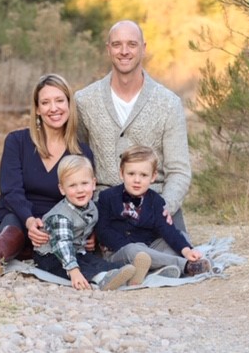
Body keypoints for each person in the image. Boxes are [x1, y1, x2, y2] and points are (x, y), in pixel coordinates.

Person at [0, 74, 93, 276]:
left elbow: (86, 196)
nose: (53, 108)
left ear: (69, 104)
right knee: (12, 221)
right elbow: (10, 190)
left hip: (49, 227)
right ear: (37, 109)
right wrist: (29, 220)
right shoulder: (17, 141)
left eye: (59, 100)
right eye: (45, 102)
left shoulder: (81, 154)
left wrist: (91, 233)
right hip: (14, 213)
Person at [74, 20, 192, 234]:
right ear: (108, 49)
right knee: (115, 258)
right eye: (117, 44)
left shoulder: (168, 103)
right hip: (105, 208)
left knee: (171, 254)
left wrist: (165, 207)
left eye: (132, 44)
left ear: (143, 49)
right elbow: (78, 158)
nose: (124, 51)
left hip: (154, 202)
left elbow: (179, 170)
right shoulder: (84, 100)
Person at [33, 154, 151, 290]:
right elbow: (62, 244)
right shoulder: (60, 216)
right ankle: (101, 279)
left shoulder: (92, 207)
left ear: (93, 183)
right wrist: (73, 271)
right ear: (62, 189)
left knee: (95, 261)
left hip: (77, 250)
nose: (80, 190)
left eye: (84, 183)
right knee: (83, 267)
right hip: (52, 255)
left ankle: (127, 272)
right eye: (72, 185)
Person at [96, 145, 210, 277]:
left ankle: (154, 268)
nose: (137, 180)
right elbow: (102, 231)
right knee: (135, 251)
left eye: (144, 175)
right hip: (119, 251)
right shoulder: (107, 197)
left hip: (149, 247)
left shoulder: (156, 201)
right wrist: (138, 249)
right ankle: (185, 265)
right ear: (122, 174)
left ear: (153, 176)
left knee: (180, 238)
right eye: (131, 174)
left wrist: (187, 250)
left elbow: (167, 230)